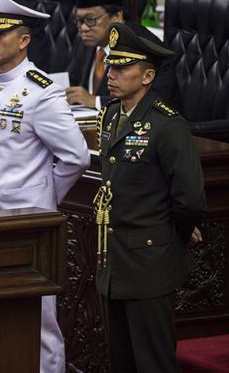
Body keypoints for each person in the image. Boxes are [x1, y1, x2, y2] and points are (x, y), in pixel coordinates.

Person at [0, 0, 90, 373]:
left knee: (39, 317)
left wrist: (44, 196)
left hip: (29, 217)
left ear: (24, 39)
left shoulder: (41, 92)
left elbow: (76, 156)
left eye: (1, 34)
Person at [95, 22, 205, 372]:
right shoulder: (112, 115)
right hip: (113, 263)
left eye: (122, 68)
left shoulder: (167, 125)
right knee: (122, 362)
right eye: (111, 65)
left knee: (154, 363)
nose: (111, 74)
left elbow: (189, 198)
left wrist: (182, 231)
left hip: (148, 263)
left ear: (147, 76)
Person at [66, 0, 180, 110]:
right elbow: (72, 80)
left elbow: (153, 103)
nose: (84, 28)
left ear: (116, 17)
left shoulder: (145, 48)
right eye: (79, 21)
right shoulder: (89, 40)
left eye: (91, 20)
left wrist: (96, 101)